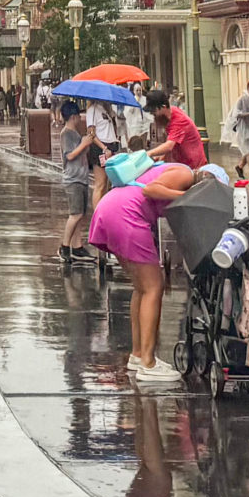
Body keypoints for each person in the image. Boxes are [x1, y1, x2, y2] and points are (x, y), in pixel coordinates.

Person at [88, 158, 200, 383]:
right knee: (153, 287)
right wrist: (188, 197)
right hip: (126, 215)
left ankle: (138, 355)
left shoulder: (163, 168)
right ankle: (148, 363)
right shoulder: (186, 175)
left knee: (141, 288)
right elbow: (151, 191)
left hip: (110, 208)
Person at [56, 100, 99, 263]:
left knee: (81, 215)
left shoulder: (75, 134)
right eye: (79, 115)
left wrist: (86, 144)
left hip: (81, 178)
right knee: (75, 214)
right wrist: (83, 144)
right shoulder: (66, 133)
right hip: (73, 179)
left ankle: (77, 246)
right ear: (73, 117)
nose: (81, 118)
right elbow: (70, 155)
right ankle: (65, 246)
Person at [146, 87, 207, 169]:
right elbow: (174, 142)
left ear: (163, 107)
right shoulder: (170, 115)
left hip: (193, 166)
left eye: (154, 111)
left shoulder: (179, 120)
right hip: (182, 164)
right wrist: (163, 157)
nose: (152, 114)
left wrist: (149, 153)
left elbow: (169, 145)